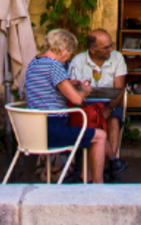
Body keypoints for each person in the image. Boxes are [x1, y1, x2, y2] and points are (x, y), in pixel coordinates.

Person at [23, 28, 108, 184]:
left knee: (84, 129)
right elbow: (76, 99)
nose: (68, 58)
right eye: (70, 53)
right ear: (63, 50)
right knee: (99, 136)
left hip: (31, 133)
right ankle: (98, 185)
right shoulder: (55, 66)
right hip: (51, 132)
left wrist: (69, 83)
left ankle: (84, 175)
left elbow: (47, 86)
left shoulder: (34, 63)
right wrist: (84, 90)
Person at [68, 28, 128, 179]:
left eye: (111, 45)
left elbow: (119, 88)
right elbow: (73, 91)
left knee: (114, 120)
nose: (111, 49)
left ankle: (109, 164)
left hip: (110, 102)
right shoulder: (78, 61)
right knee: (92, 119)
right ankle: (114, 162)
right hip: (85, 103)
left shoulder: (117, 58)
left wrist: (109, 108)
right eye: (106, 47)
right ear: (92, 50)